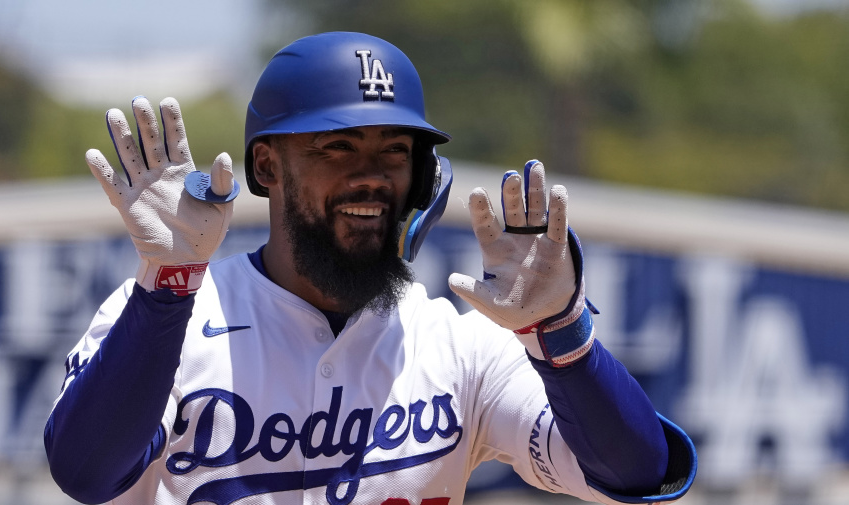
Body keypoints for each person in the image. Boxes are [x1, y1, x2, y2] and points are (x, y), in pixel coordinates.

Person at [44, 32, 696, 505]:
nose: (372, 174)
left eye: (393, 150)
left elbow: (633, 471)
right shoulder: (171, 317)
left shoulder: (460, 345)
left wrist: (561, 331)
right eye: (339, 145)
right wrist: (169, 284)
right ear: (268, 167)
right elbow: (86, 472)